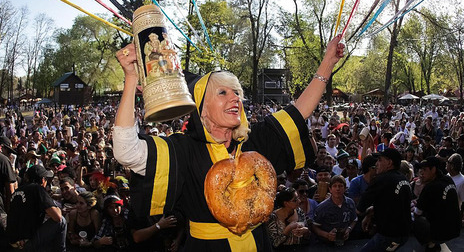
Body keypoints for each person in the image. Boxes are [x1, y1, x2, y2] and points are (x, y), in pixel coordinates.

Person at [113, 32, 344, 251]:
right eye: (222, 93)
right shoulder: (182, 150)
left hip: (259, 244)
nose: (235, 97)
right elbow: (126, 151)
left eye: (236, 92)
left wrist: (328, 62)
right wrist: (131, 79)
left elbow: (299, 110)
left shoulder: (253, 143)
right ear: (201, 109)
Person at [357, 148, 412, 251]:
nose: (376, 164)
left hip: (389, 235)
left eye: (380, 160)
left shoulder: (381, 179)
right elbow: (393, 204)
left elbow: (359, 209)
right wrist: (371, 213)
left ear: (389, 163)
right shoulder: (404, 179)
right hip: (403, 234)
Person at [7, 165, 67, 251]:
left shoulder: (18, 191)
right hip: (25, 244)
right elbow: (57, 217)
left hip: (11, 242)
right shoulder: (37, 189)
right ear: (43, 180)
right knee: (62, 222)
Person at [413, 156, 460, 251]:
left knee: (413, 218)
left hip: (441, 232)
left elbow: (417, 213)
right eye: (420, 170)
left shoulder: (430, 187)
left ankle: (431, 244)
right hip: (455, 228)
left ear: (433, 169)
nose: (421, 173)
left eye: (424, 170)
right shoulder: (448, 179)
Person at [312, 175, 357, 244]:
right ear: (330, 189)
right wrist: (327, 235)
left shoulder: (350, 203)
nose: (337, 189)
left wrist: (349, 229)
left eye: (340, 186)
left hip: (345, 242)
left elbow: (354, 220)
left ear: (345, 188)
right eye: (335, 186)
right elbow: (314, 227)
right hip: (326, 243)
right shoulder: (322, 207)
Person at [446, 153, 464, 226]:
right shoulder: (448, 175)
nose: (446, 163)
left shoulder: (463, 182)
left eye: (448, 162)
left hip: (452, 218)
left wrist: (463, 220)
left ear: (452, 166)